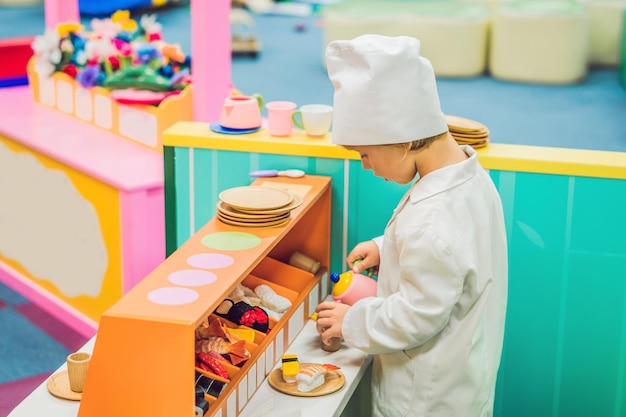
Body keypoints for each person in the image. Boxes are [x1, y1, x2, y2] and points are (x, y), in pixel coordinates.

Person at [315, 34, 508, 417]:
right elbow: (451, 255)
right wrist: (386, 246)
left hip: (425, 400)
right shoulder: (468, 177)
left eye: (365, 154)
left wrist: (352, 321)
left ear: (401, 140)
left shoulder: (432, 221)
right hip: (461, 381)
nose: (366, 166)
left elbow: (416, 316)